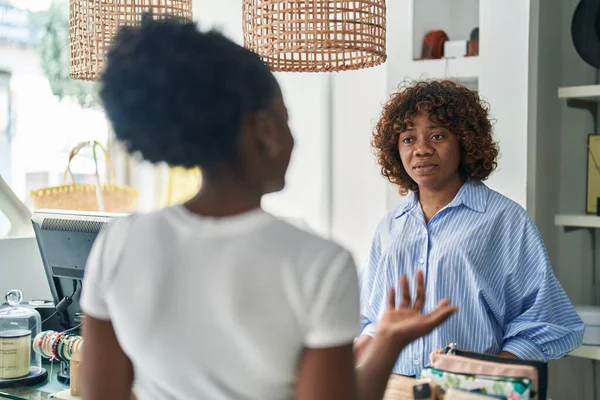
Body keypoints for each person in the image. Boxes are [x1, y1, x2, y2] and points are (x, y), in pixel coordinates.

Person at [79, 18, 458, 400]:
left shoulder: (119, 243)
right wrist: (388, 343)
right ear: (265, 130)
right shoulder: (318, 264)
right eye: (286, 120)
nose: (293, 138)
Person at [354, 80, 585, 377]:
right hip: (393, 390)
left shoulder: (505, 219)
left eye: (437, 136)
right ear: (395, 150)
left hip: (475, 391)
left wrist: (486, 376)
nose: (422, 150)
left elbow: (547, 321)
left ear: (464, 141)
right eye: (408, 139)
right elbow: (371, 319)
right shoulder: (389, 227)